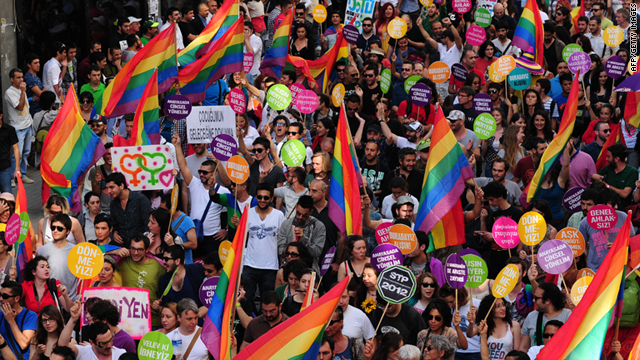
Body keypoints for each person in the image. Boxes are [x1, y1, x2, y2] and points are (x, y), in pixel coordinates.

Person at [116, 234, 166, 327]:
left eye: (140, 249)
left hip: (152, 321)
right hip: (128, 321)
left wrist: (160, 305)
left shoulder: (157, 266)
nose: (135, 253)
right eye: (133, 249)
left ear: (147, 249)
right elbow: (98, 254)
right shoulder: (123, 261)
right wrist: (117, 250)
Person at [36, 214, 79, 301]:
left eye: (59, 228)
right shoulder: (42, 251)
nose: (55, 231)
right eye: (53, 228)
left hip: (72, 300)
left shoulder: (76, 251)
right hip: (50, 300)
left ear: (67, 231)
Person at [59, 307, 127, 360]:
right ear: (92, 343)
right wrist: (73, 319)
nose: (109, 345)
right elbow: (62, 345)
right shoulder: (83, 352)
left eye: (110, 340)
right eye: (103, 343)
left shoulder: (120, 354)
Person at [519, 283, 572, 352]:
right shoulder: (531, 316)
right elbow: (524, 347)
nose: (533, 300)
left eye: (536, 298)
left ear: (547, 301)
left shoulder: (568, 316)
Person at [4, 68, 34, 185]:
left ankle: (23, 174)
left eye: (22, 77)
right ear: (12, 79)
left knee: (26, 152)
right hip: (18, 127)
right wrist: (23, 92)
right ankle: (12, 177)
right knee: (18, 154)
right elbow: (20, 107)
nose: (21, 79)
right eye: (18, 77)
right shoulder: (9, 92)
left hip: (27, 124)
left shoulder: (22, 90)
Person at [105, 172, 151, 248]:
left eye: (111, 187)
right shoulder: (113, 204)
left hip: (139, 247)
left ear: (122, 185)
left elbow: (148, 224)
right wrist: (115, 233)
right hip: (122, 248)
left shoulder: (140, 199)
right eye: (107, 188)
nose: (109, 191)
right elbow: (115, 225)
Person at [469, 294, 521, 360]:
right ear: (489, 309)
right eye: (498, 306)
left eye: (503, 305)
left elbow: (517, 354)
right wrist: (471, 323)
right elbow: (470, 334)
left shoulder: (514, 325)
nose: (503, 308)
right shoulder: (484, 325)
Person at [0, 281, 38, 360]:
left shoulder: (30, 316)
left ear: (17, 298)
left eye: (5, 296)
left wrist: (11, 320)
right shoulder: (0, 315)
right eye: (0, 295)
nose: (1, 299)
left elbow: (23, 344)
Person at [592, 144, 636, 209]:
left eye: (608, 156)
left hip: (623, 209)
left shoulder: (632, 172)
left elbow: (625, 194)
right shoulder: (607, 168)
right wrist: (593, 176)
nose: (606, 159)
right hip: (605, 209)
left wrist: (606, 185)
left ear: (617, 159)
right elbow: (596, 178)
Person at [0, 113, 20, 193]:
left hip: (4, 167)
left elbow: (16, 149)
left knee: (7, 196)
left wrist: (17, 169)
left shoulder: (9, 129)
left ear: (1, 116)